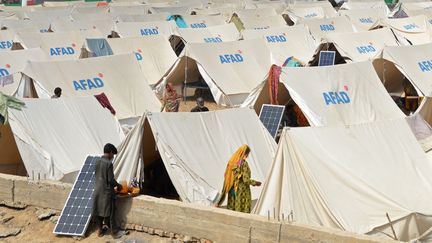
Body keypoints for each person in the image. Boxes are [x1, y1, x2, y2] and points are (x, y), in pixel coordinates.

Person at [93, 143, 126, 239]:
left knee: (99, 211)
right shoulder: (108, 163)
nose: (112, 157)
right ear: (111, 152)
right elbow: (110, 180)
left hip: (97, 190)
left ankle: (100, 230)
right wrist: (118, 185)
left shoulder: (97, 161)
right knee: (111, 214)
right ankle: (115, 233)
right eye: (113, 155)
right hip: (106, 193)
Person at [217, 145, 261, 213]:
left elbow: (228, 177)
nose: (247, 156)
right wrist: (255, 183)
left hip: (232, 189)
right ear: (245, 153)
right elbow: (245, 180)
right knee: (240, 212)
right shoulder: (243, 163)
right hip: (241, 192)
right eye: (247, 154)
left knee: (231, 212)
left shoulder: (232, 162)